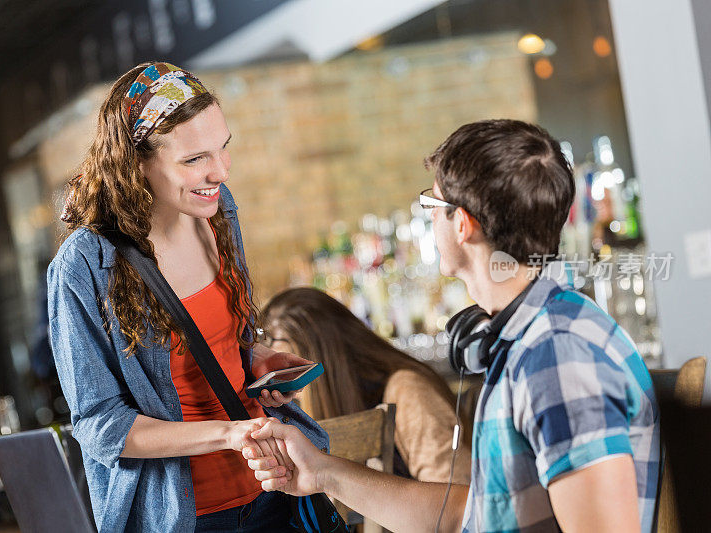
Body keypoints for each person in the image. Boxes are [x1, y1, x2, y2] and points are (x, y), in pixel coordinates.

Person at [244, 119, 659, 533]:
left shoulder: (557, 353)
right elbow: (468, 516)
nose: (430, 221)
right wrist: (320, 471)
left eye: (431, 207)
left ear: (462, 224)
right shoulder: (526, 339)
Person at [48, 62, 323, 532]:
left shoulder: (218, 211)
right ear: (136, 162)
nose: (218, 171)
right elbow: (100, 425)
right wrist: (228, 433)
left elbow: (218, 342)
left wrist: (256, 361)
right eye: (194, 159)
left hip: (274, 484)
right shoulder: (85, 266)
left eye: (223, 148)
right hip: (184, 516)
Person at [260, 287, 471, 484]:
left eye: (270, 343)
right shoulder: (336, 403)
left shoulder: (406, 390)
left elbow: (453, 496)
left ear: (321, 353)